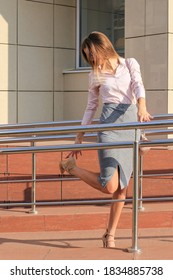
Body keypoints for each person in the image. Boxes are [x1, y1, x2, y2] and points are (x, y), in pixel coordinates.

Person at [59, 31, 152, 248]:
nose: (91, 59)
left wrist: (142, 106)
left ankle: (110, 234)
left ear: (102, 47)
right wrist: (79, 136)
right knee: (110, 185)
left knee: (122, 187)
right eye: (87, 56)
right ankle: (71, 167)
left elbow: (138, 84)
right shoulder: (94, 74)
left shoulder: (129, 63)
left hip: (131, 123)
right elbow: (91, 106)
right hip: (109, 127)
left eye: (91, 53)